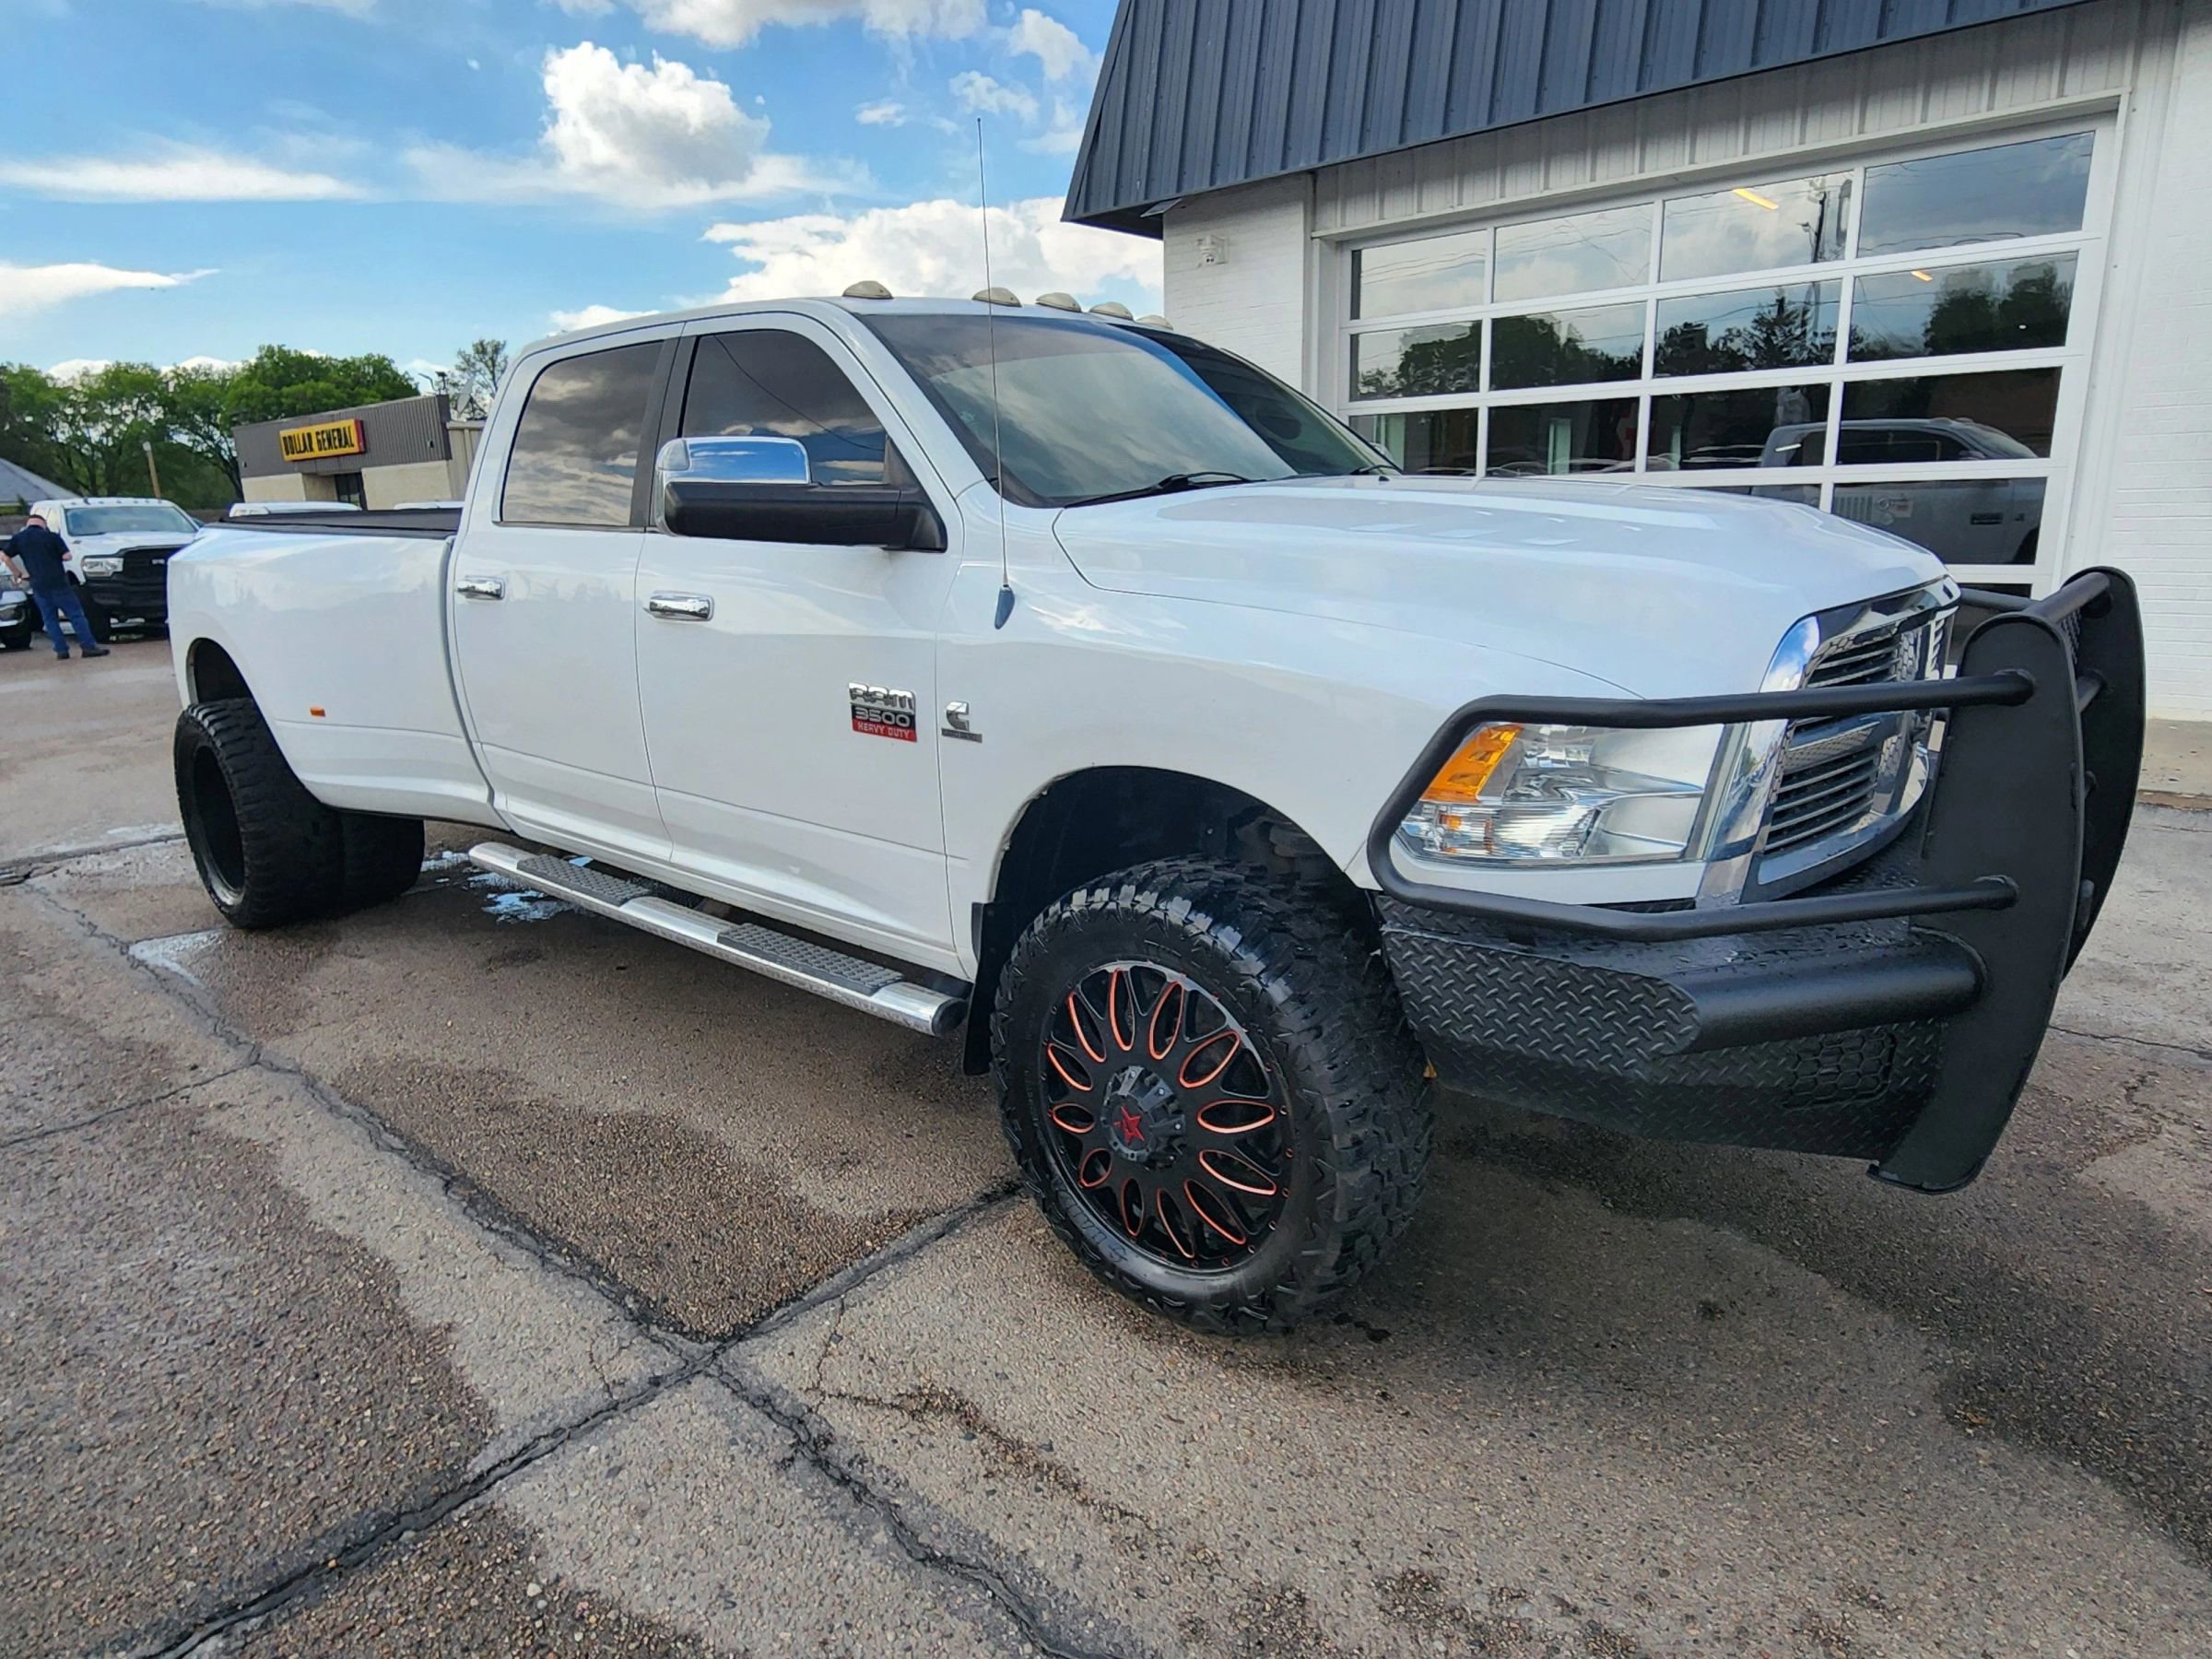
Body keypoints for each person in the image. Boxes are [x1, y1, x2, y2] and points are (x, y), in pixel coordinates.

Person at [3, 513, 110, 660]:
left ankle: (61, 651)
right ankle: (88, 647)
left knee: (50, 619)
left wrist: (18, 573)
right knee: (76, 615)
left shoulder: (19, 538)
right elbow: (67, 557)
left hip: (38, 584)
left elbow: (4, 555)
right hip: (59, 583)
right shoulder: (52, 537)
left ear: (28, 524)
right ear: (43, 524)